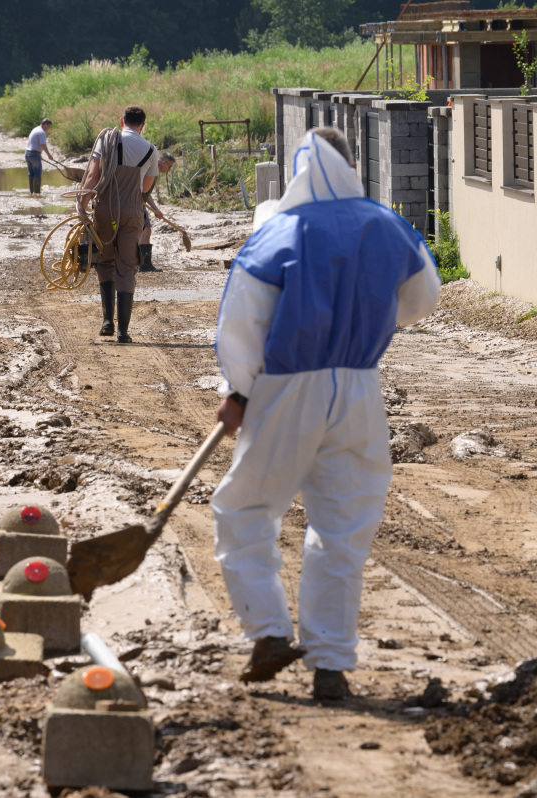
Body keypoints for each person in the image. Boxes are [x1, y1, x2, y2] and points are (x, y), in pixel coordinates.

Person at [210, 127, 441, 700]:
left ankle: (267, 631)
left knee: (245, 510)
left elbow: (240, 328)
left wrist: (240, 390)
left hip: (287, 388)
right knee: (341, 529)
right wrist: (364, 323)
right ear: (351, 165)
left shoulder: (278, 233)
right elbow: (423, 300)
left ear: (303, 169)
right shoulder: (389, 226)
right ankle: (330, 666)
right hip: (360, 387)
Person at [77, 106, 159, 343]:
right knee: (127, 265)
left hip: (106, 210)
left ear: (121, 121)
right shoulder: (150, 150)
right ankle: (123, 331)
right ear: (142, 125)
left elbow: (93, 177)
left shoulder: (107, 141)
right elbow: (145, 188)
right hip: (133, 212)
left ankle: (107, 323)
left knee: (105, 261)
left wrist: (82, 204)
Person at [139, 152, 176, 273]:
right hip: (136, 202)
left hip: (140, 201)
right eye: (169, 166)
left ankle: (140, 263)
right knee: (146, 229)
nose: (169, 170)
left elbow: (147, 194)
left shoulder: (154, 171)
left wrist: (155, 209)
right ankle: (144, 265)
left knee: (143, 230)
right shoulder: (151, 169)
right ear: (163, 163)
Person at [26, 119, 54, 197]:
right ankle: (37, 193)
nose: (49, 129)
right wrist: (49, 155)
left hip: (28, 153)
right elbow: (42, 145)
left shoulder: (35, 129)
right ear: (45, 124)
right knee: (37, 173)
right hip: (34, 154)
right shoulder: (41, 132)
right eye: (49, 126)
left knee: (31, 173)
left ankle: (32, 192)